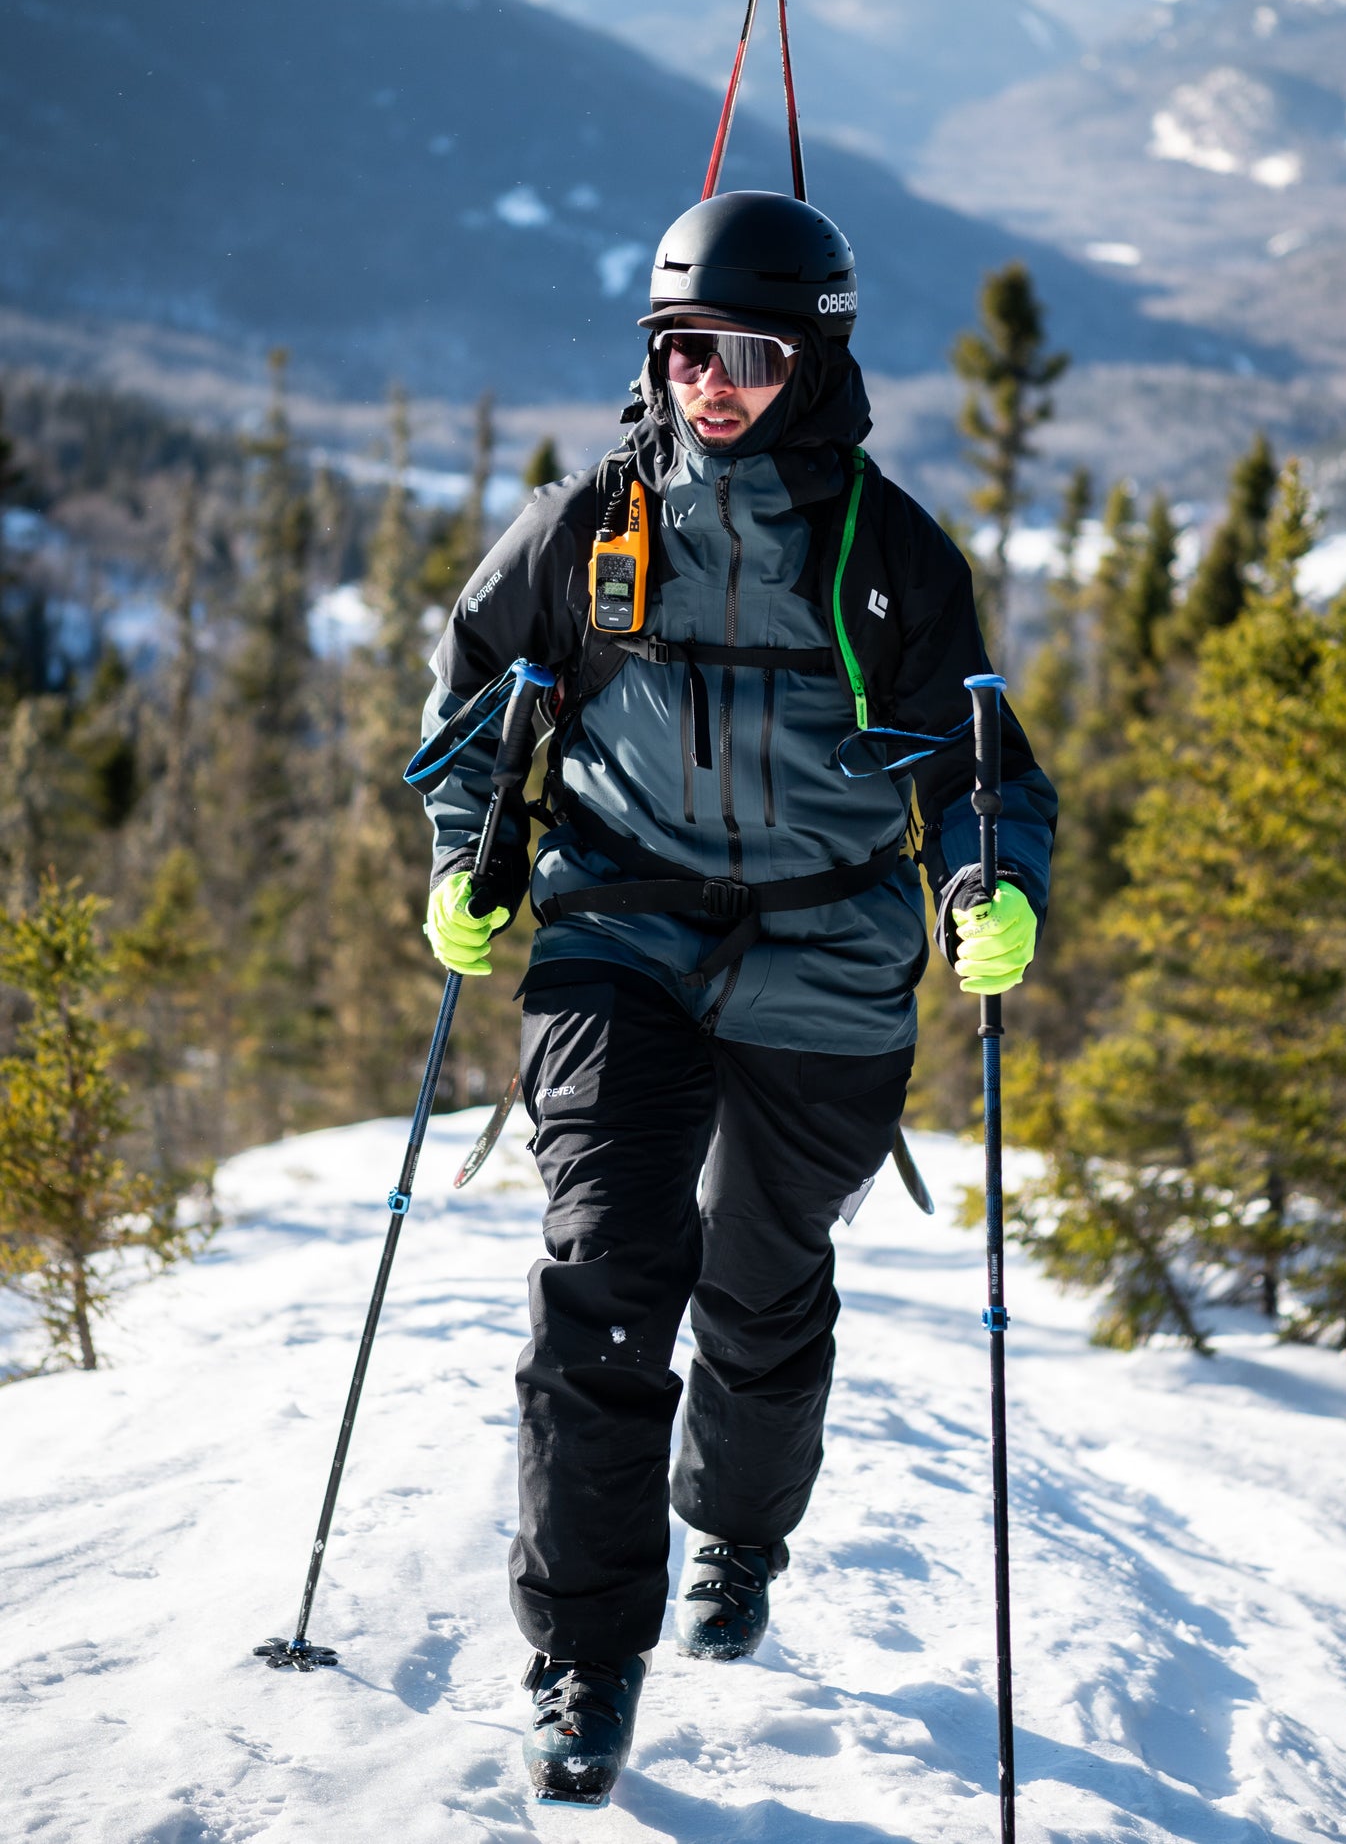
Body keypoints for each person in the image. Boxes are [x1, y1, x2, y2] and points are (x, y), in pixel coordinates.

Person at [417, 189, 1056, 1806]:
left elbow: (981, 770)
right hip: (618, 930)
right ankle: (584, 1648)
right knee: (609, 1268)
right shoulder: (590, 522)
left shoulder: (894, 557)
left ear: (817, 356)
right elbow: (475, 696)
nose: (711, 378)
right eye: (683, 346)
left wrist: (993, 883)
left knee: (762, 1286)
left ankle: (741, 1534)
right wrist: (463, 855)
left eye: (749, 351)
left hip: (828, 951)